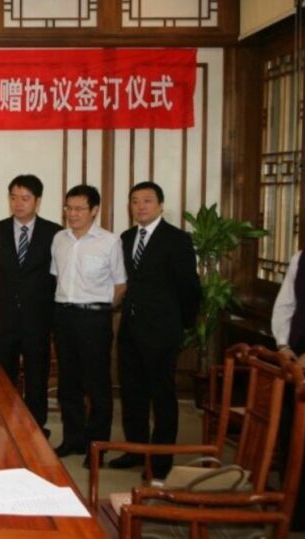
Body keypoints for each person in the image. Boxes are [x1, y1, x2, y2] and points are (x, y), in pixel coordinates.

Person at [109, 182, 201, 478]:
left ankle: (160, 461)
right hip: (130, 329)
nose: (140, 206)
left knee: (162, 397)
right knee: (132, 394)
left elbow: (190, 288)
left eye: (147, 201)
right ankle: (135, 450)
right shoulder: (126, 238)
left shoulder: (177, 239)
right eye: (135, 201)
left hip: (163, 331)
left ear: (161, 205)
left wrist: (181, 326)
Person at [50, 184, 126, 467]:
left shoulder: (109, 242)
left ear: (94, 210)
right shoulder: (59, 239)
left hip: (94, 318)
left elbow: (120, 284)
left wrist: (101, 309)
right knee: (68, 383)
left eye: (80, 208)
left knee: (97, 385)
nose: (73, 214)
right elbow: (57, 276)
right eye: (69, 208)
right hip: (64, 316)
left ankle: (97, 446)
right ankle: (73, 439)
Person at [0, 174, 62, 434]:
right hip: (5, 314)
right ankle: (4, 423)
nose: (18, 203)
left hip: (39, 315)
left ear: (38, 201)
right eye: (13, 198)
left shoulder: (54, 233)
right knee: (3, 372)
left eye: (25, 198)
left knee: (37, 373)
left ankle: (35, 427)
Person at [270, 250, 305, 531]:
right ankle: (295, 510)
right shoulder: (301, 258)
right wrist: (283, 345)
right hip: (295, 361)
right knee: (292, 437)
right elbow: (285, 304)